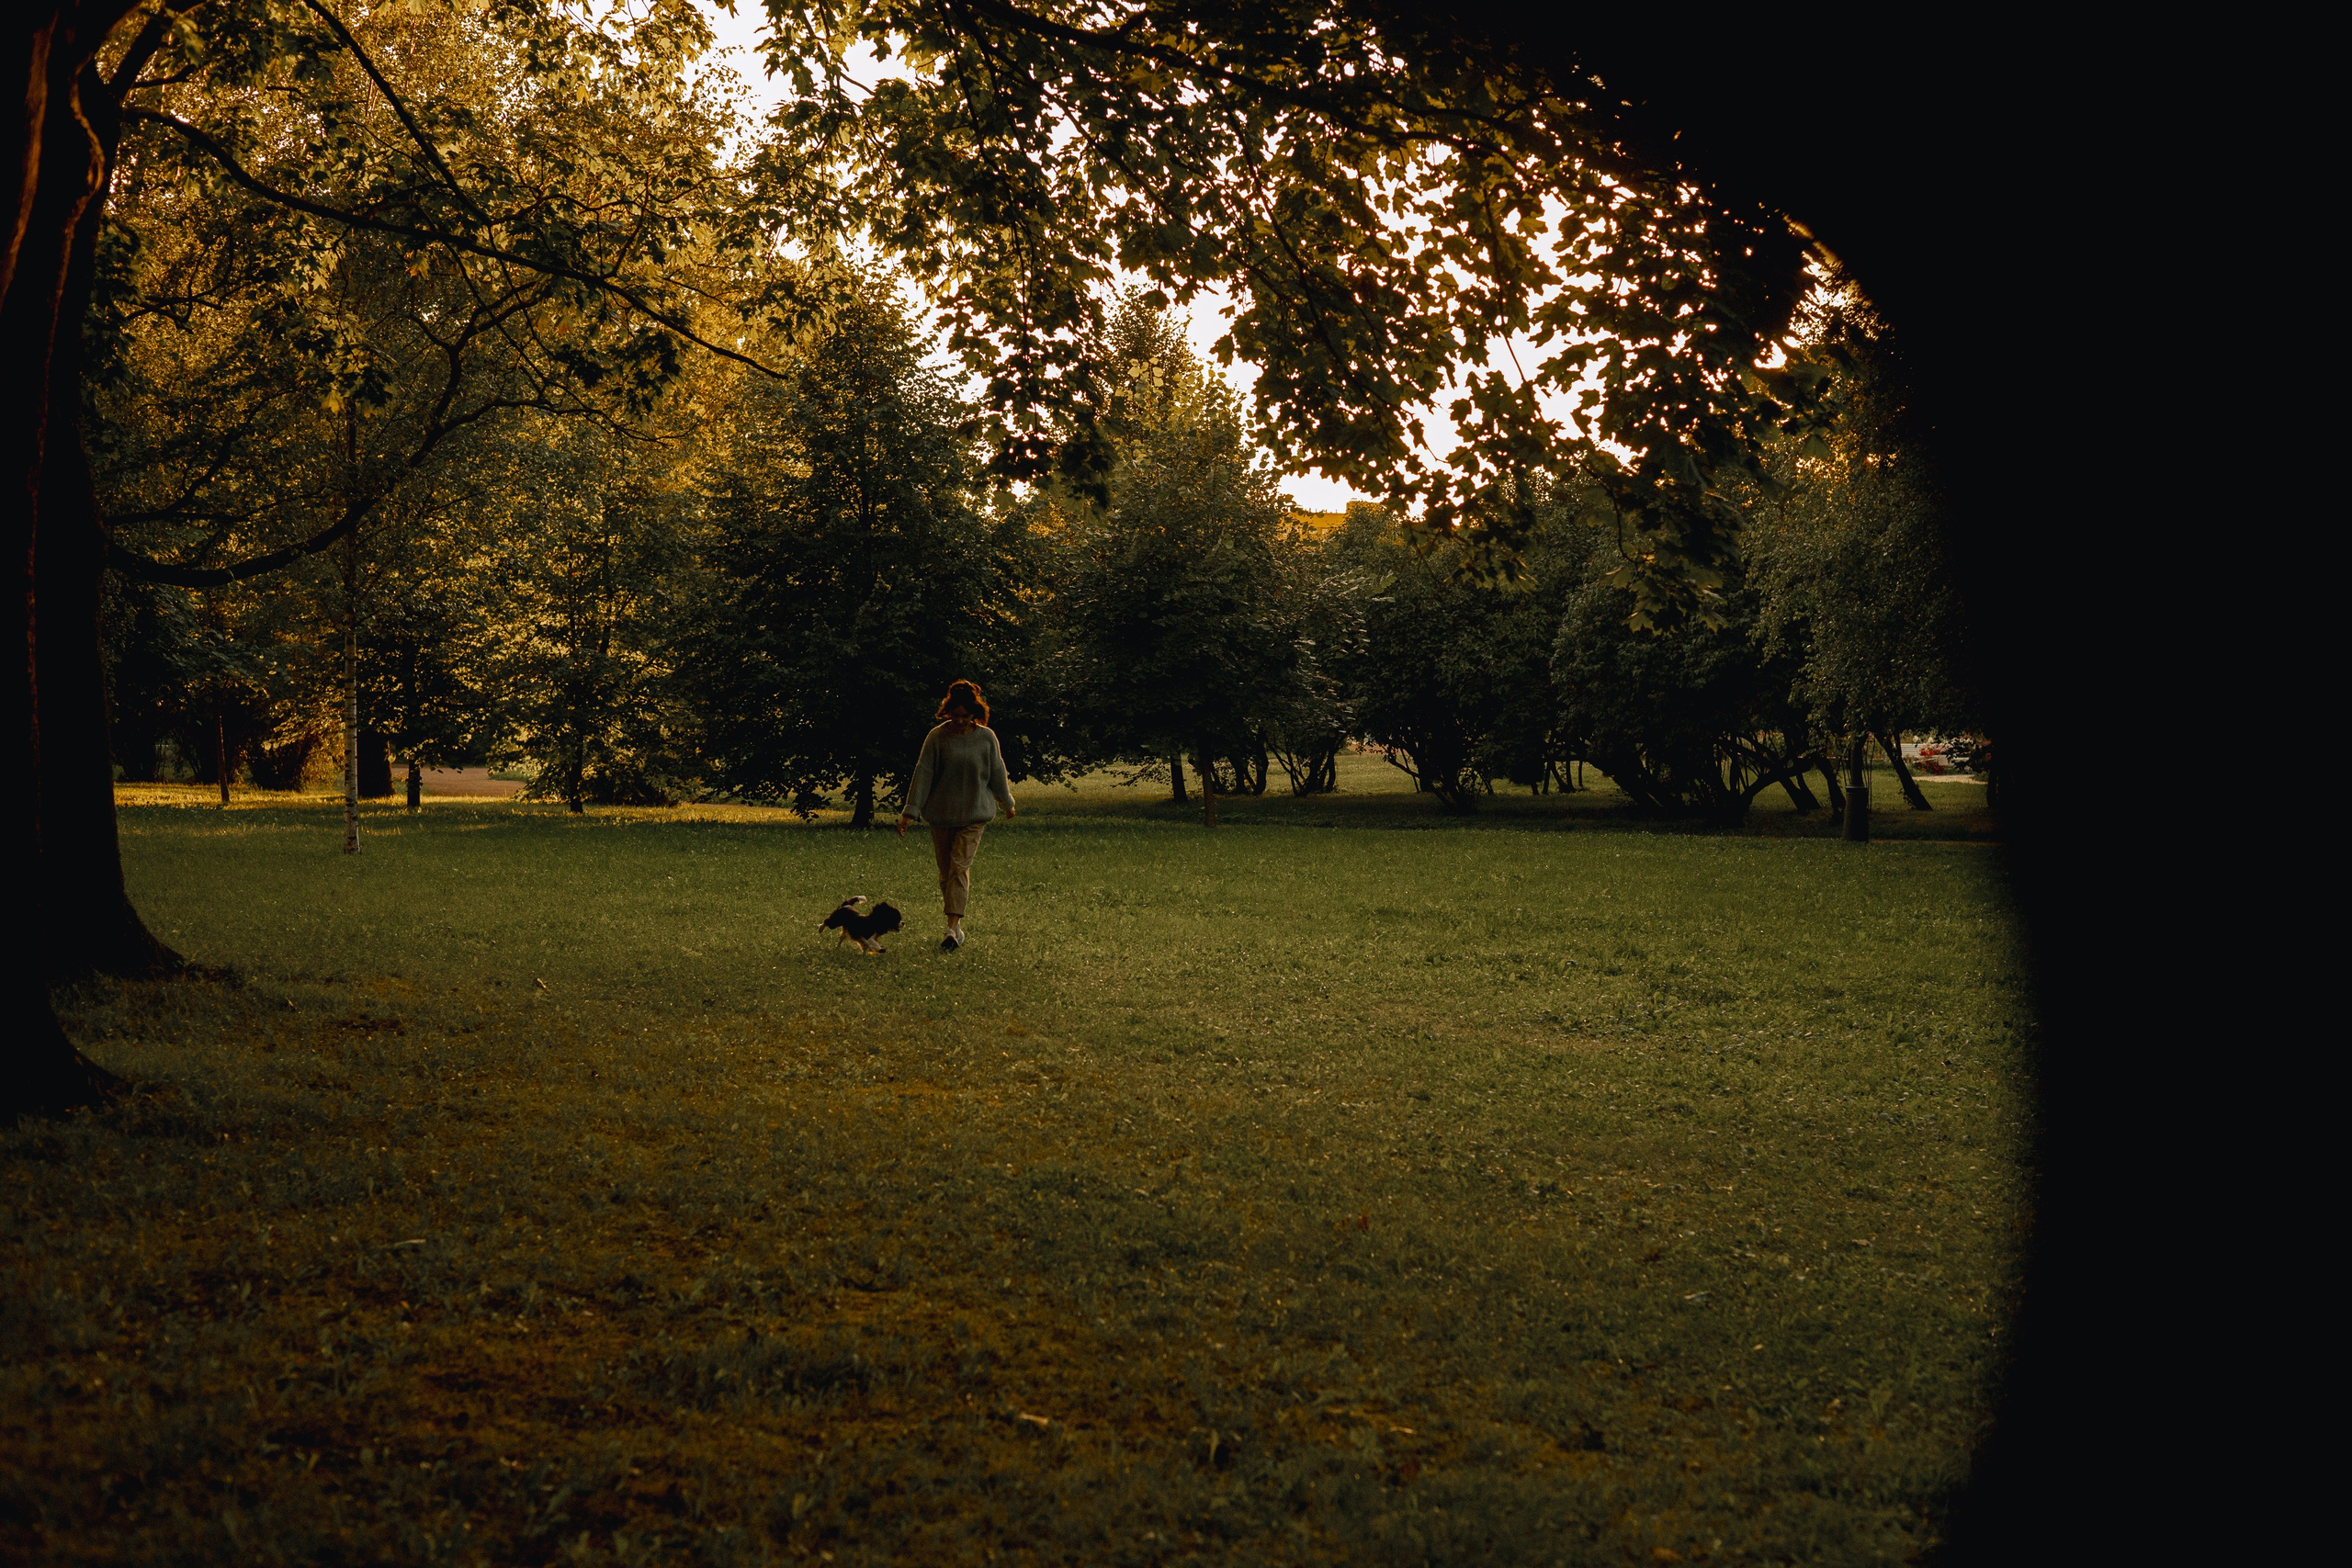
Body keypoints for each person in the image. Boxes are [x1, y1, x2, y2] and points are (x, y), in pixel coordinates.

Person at [897, 680, 1014, 951]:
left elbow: (997, 771)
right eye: (955, 715)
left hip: (974, 816)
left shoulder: (986, 738)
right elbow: (923, 774)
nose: (960, 721)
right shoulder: (936, 738)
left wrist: (1007, 803)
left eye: (965, 716)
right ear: (947, 712)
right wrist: (909, 813)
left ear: (975, 713)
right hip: (941, 816)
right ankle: (957, 928)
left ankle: (951, 928)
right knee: (946, 873)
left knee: (959, 868)